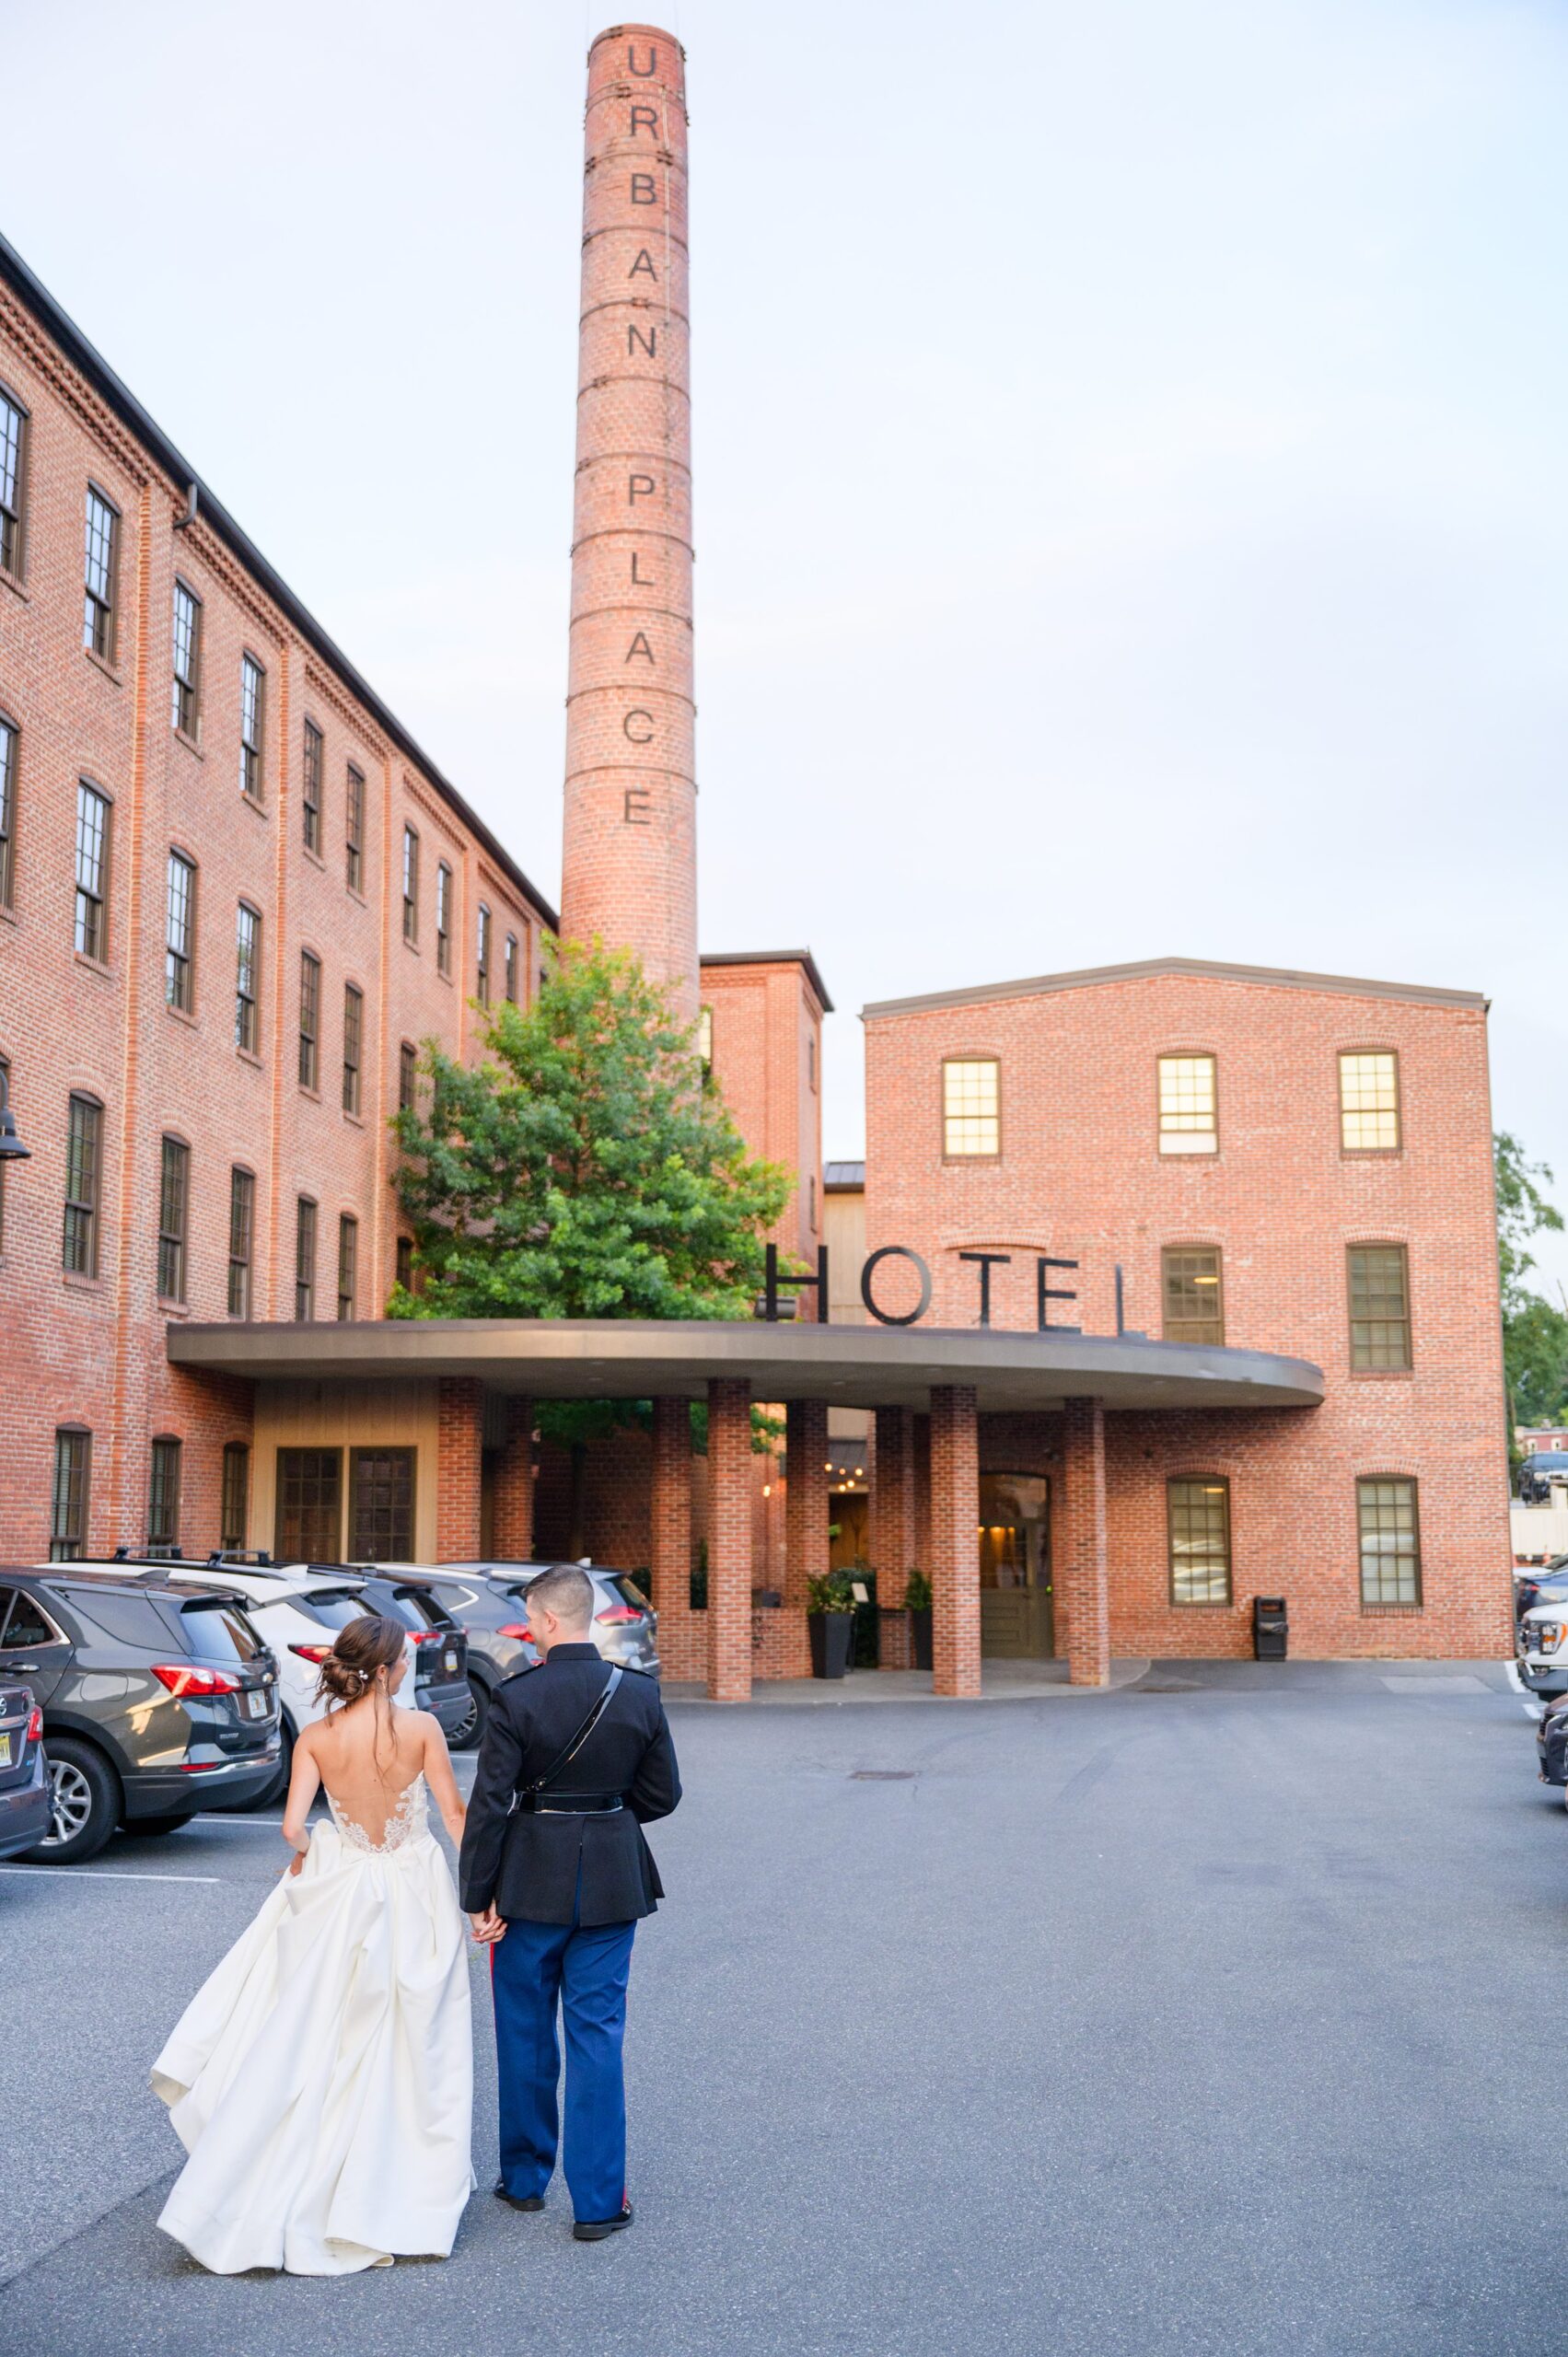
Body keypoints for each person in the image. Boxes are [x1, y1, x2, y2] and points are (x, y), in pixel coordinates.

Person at [150, 1613, 476, 2274]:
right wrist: (483, 1896)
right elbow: (453, 1815)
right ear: (384, 1671)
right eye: (406, 1659)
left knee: (334, 2031)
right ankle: (401, 2181)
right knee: (416, 2035)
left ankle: (318, 2175)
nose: (410, 1667)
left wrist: (315, 1851)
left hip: (349, 1887)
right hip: (415, 1886)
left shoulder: (319, 1738)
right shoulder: (421, 1729)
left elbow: (294, 1827)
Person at [460, 1562, 680, 2241]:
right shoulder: (639, 1693)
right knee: (596, 2036)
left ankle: (524, 2183)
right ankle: (597, 2203)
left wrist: (476, 1895)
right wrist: (608, 1815)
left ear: (550, 1621)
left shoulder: (516, 1696)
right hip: (613, 1880)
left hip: (526, 1883)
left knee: (524, 2032)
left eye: (530, 1618)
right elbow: (663, 1795)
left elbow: (490, 1804)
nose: (526, 1629)